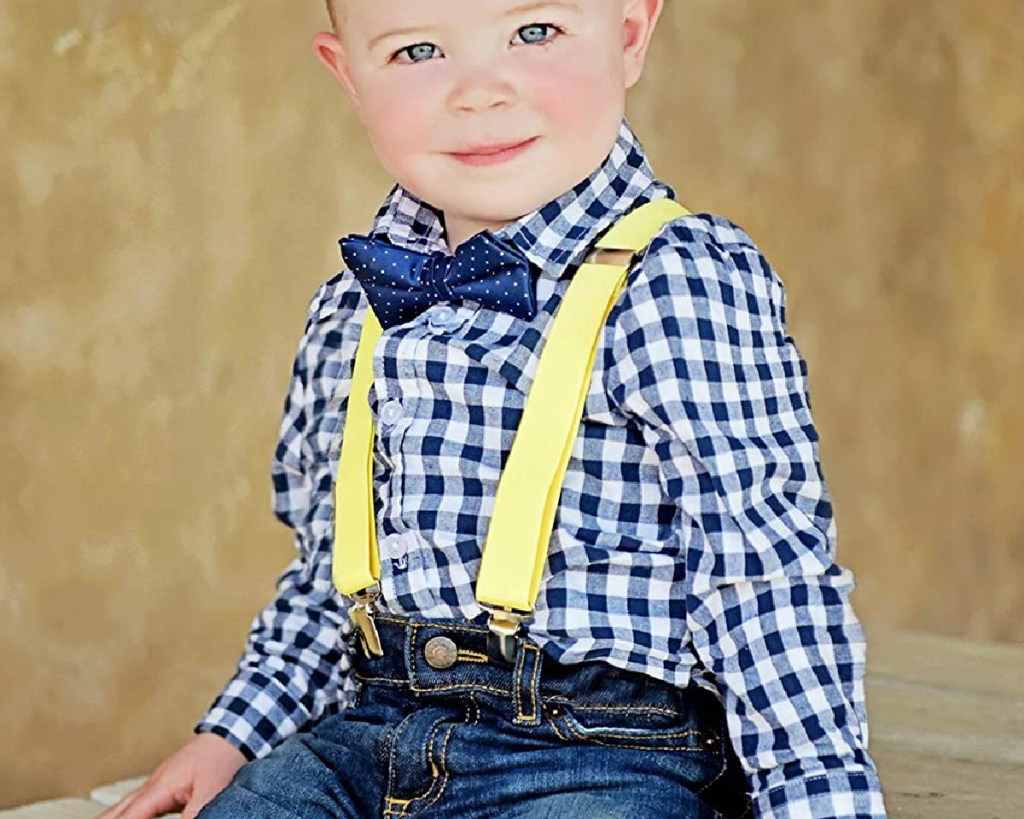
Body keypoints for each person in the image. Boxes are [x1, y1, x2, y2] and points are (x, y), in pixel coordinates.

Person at [99, 0, 887, 817]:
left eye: (533, 32)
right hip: (371, 732)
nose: (479, 92)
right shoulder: (355, 307)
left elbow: (761, 579)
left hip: (599, 754)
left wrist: (817, 801)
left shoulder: (676, 283)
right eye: (417, 50)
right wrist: (233, 733)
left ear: (628, 34)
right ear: (349, 76)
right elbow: (326, 579)